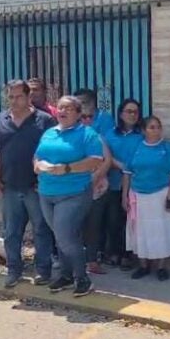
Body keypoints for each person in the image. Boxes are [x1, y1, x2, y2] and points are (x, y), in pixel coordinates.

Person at [0, 80, 56, 288]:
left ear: (28, 97)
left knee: (41, 230)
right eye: (10, 97)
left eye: (18, 96)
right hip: (10, 187)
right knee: (12, 232)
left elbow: (54, 150)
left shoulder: (45, 120)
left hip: (36, 187)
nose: (14, 101)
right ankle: (14, 271)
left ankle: (43, 271)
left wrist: (48, 178)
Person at [34, 95, 104, 297]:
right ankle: (65, 275)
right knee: (60, 236)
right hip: (47, 193)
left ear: (78, 114)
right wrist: (39, 166)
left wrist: (66, 168)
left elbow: (95, 161)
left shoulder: (87, 134)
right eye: (60, 108)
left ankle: (82, 278)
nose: (62, 112)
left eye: (68, 109)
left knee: (65, 237)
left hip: (73, 193)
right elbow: (37, 157)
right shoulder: (49, 133)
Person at [123, 116, 170, 281]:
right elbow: (127, 173)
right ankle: (143, 265)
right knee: (140, 231)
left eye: (158, 127)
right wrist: (125, 196)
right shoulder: (136, 147)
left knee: (161, 231)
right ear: (144, 130)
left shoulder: (167, 148)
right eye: (152, 127)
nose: (156, 130)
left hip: (160, 194)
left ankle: (161, 267)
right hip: (138, 195)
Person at [103, 99, 144, 270]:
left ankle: (129, 255)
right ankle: (114, 253)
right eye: (128, 111)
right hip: (113, 183)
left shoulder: (142, 135)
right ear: (121, 114)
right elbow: (105, 156)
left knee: (132, 221)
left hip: (136, 184)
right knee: (114, 220)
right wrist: (121, 166)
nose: (132, 115)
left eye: (135, 112)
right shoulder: (110, 134)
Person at [80, 103, 113, 275]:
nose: (86, 120)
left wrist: (95, 177)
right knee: (74, 226)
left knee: (93, 226)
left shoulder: (97, 137)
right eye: (82, 117)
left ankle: (92, 261)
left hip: (96, 188)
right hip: (74, 188)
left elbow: (107, 160)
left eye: (89, 117)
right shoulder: (67, 136)